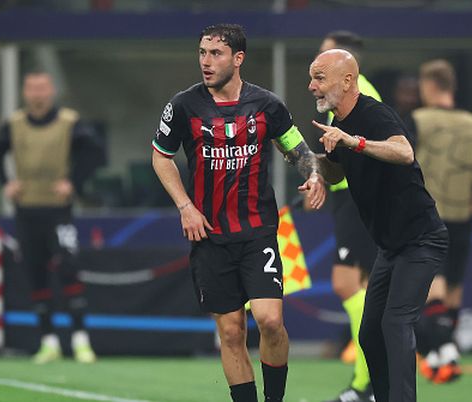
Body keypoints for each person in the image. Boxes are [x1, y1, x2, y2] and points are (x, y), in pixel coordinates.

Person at [151, 24, 326, 402]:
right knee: (231, 332)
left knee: (271, 321)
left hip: (257, 230)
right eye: (202, 53)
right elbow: (161, 156)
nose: (206, 62)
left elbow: (297, 149)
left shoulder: (267, 105)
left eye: (216, 54)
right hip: (209, 235)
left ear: (238, 59)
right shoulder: (183, 105)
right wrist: (186, 207)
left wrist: (313, 175)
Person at [310, 49, 447, 402]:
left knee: (395, 323)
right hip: (391, 247)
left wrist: (353, 142)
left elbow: (404, 153)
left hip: (422, 240)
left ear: (347, 80)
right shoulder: (339, 125)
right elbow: (337, 170)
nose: (312, 86)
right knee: (370, 333)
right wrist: (308, 162)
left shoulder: (373, 112)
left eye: (320, 77)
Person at [0, 71, 103, 364]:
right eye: (32, 88)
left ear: (51, 91)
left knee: (68, 266)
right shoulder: (13, 124)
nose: (37, 94)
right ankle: (48, 340)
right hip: (27, 209)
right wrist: (6, 182)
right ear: (24, 92)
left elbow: (94, 153)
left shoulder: (69, 121)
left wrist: (74, 183)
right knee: (34, 271)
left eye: (42, 88)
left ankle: (80, 339)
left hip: (58, 209)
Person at [412, 59, 472, 383]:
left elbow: (400, 158)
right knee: (452, 291)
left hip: (427, 215)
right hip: (462, 216)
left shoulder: (419, 120)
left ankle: (447, 350)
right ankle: (441, 359)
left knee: (431, 290)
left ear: (429, 86)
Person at [316, 30, 379, 402]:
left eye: (324, 60)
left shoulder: (361, 96)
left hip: (357, 198)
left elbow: (366, 150)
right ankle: (369, 382)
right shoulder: (336, 96)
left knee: (347, 285)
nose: (317, 69)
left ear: (347, 69)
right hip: (350, 197)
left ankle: (364, 384)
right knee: (369, 290)